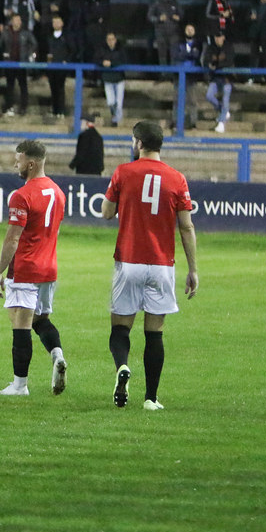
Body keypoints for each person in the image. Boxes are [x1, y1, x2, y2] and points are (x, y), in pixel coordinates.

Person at [102, 121, 198, 410]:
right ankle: (151, 398)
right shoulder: (177, 178)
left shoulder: (123, 172)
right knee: (154, 332)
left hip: (128, 261)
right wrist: (192, 269)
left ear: (139, 143)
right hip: (161, 265)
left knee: (120, 327)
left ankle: (122, 368)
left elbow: (106, 213)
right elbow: (186, 227)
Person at [0, 140, 67, 396]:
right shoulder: (58, 192)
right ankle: (57, 355)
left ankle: (19, 385)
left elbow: (13, 238)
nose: (16, 163)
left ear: (31, 163)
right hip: (49, 269)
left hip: (25, 268)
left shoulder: (22, 195)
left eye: (19, 159)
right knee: (40, 320)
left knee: (20, 325)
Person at [0, 14, 37, 116]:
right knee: (9, 86)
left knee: (23, 85)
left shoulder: (26, 32)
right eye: (16, 20)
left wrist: (28, 54)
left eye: (19, 20)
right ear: (12, 21)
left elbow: (34, 44)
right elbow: (0, 45)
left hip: (22, 63)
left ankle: (23, 107)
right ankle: (8, 106)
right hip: (9, 63)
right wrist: (4, 55)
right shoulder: (6, 32)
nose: (18, 22)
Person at [171, 23, 202, 130]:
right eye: (187, 29)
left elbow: (197, 56)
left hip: (191, 77)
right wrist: (189, 54)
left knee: (192, 101)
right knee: (177, 100)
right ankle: (175, 123)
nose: (189, 31)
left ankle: (193, 123)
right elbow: (176, 55)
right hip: (178, 77)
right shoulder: (178, 43)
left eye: (191, 29)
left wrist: (185, 54)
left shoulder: (198, 44)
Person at [202, 31, 232, 133]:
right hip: (215, 78)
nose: (218, 39)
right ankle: (224, 111)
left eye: (219, 37)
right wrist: (211, 65)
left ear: (223, 37)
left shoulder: (228, 47)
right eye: (216, 37)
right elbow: (206, 60)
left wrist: (216, 65)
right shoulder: (211, 47)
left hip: (227, 78)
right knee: (209, 96)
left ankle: (221, 123)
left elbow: (229, 61)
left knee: (225, 98)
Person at [147, 0, 182, 70]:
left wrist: (178, 17)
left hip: (174, 32)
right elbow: (150, 16)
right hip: (161, 32)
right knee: (162, 54)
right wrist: (159, 18)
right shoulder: (157, 3)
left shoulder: (175, 3)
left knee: (174, 54)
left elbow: (181, 14)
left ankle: (173, 75)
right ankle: (164, 74)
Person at [46, 15, 73, 118]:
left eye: (58, 22)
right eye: (54, 22)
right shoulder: (49, 36)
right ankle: (55, 110)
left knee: (60, 88)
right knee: (53, 88)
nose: (56, 24)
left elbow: (73, 50)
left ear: (62, 23)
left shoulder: (67, 37)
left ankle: (61, 111)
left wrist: (67, 60)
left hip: (62, 67)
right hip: (51, 67)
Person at [99, 32, 127, 126]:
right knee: (111, 102)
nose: (110, 42)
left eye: (112, 39)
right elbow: (96, 59)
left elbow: (123, 60)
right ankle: (114, 118)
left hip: (119, 79)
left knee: (118, 103)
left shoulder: (121, 50)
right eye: (108, 40)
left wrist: (112, 64)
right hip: (107, 78)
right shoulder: (102, 50)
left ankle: (116, 121)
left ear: (115, 40)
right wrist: (102, 62)